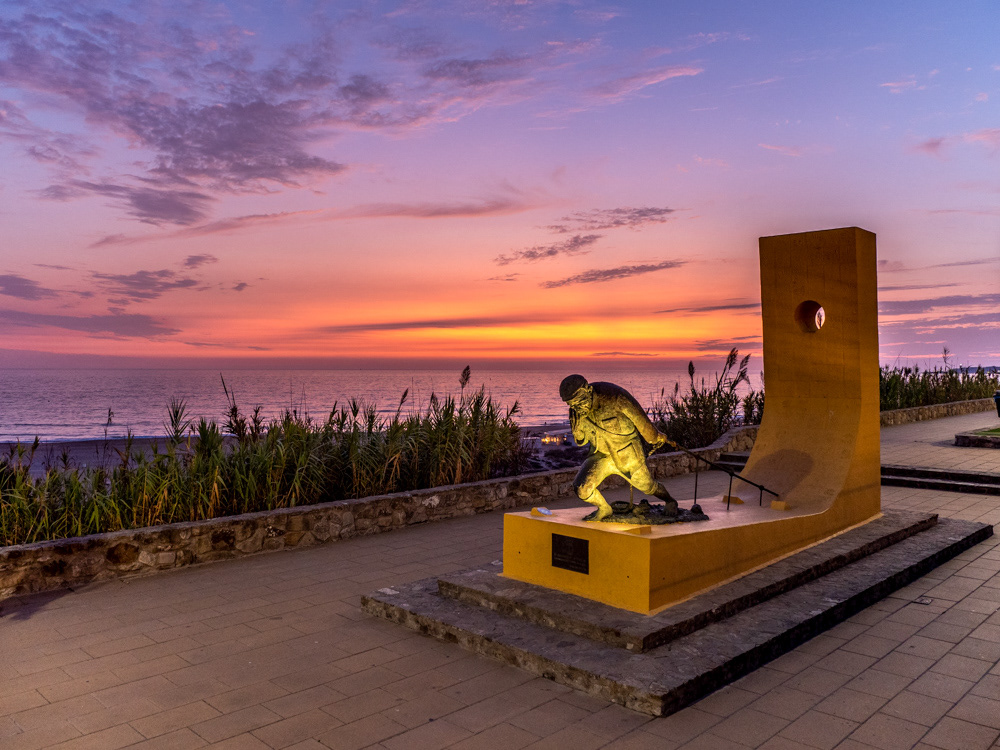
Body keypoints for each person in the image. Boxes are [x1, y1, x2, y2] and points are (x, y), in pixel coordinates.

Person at [560, 374, 679, 521]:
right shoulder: (576, 411)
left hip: (627, 455)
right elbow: (581, 440)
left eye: (579, 402)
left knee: (647, 486)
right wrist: (576, 426)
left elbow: (641, 421)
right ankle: (604, 508)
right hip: (601, 455)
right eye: (572, 405)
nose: (577, 407)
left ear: (588, 391)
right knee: (582, 488)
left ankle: (670, 501)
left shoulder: (616, 398)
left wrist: (655, 437)